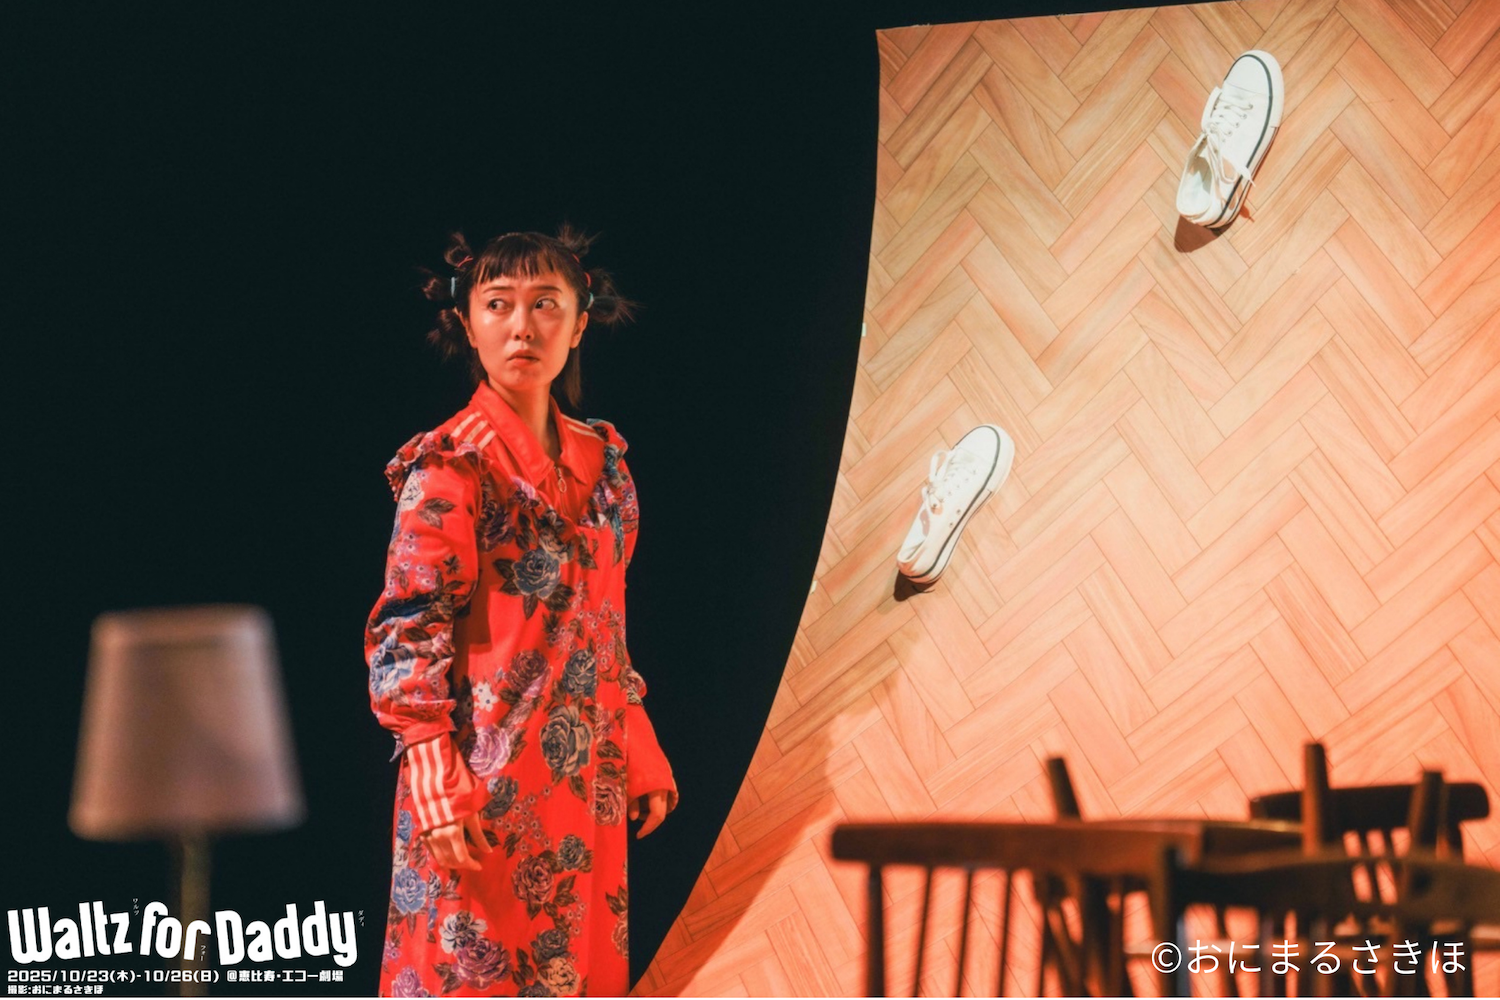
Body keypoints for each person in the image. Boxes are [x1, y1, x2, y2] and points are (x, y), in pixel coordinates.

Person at [364, 228, 677, 997]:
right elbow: (409, 627)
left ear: (579, 323)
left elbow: (603, 623)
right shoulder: (454, 460)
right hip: (478, 777)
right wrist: (432, 767)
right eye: (499, 305)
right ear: (468, 324)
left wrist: (635, 736)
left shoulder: (605, 464)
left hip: (583, 779)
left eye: (546, 305)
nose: (522, 327)